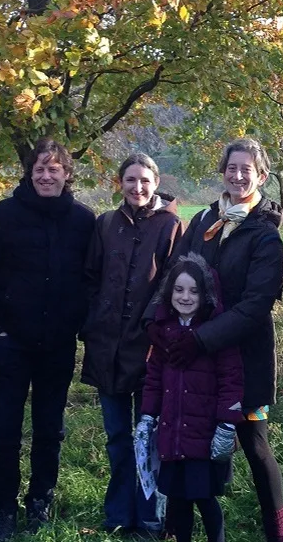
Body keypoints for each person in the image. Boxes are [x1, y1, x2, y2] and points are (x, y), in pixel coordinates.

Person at [148, 138, 283, 542]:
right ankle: (177, 530)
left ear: (261, 176)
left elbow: (257, 304)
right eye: (232, 167)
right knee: (183, 441)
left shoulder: (265, 233)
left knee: (255, 447)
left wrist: (203, 338)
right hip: (193, 358)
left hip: (244, 361)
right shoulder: (205, 221)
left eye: (247, 169)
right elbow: (175, 275)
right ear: (222, 171)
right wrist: (157, 324)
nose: (238, 174)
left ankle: (277, 533)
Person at [0, 137, 95, 541]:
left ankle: (39, 500)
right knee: (3, 429)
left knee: (49, 428)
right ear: (29, 173)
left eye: (53, 168)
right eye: (39, 169)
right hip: (10, 344)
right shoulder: (3, 216)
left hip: (57, 344)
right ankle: (3, 507)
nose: (45, 175)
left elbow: (91, 278)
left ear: (66, 174)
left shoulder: (83, 220)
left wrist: (77, 324)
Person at [81, 153, 183, 535]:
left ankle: (151, 513)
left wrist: (153, 325)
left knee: (151, 435)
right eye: (130, 180)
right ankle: (118, 512)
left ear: (156, 183)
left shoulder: (171, 225)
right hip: (106, 346)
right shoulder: (106, 224)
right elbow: (91, 277)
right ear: (119, 183)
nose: (137, 187)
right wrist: (93, 321)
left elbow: (173, 283)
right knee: (117, 436)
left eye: (144, 180)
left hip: (150, 349)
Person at [138, 253, 245, 542]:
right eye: (179, 289)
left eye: (194, 291)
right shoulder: (163, 333)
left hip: (202, 436)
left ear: (206, 294)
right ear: (169, 292)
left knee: (205, 498)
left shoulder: (215, 335)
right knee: (178, 499)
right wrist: (148, 417)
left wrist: (227, 423)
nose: (186, 297)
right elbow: (153, 380)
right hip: (171, 434)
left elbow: (231, 381)